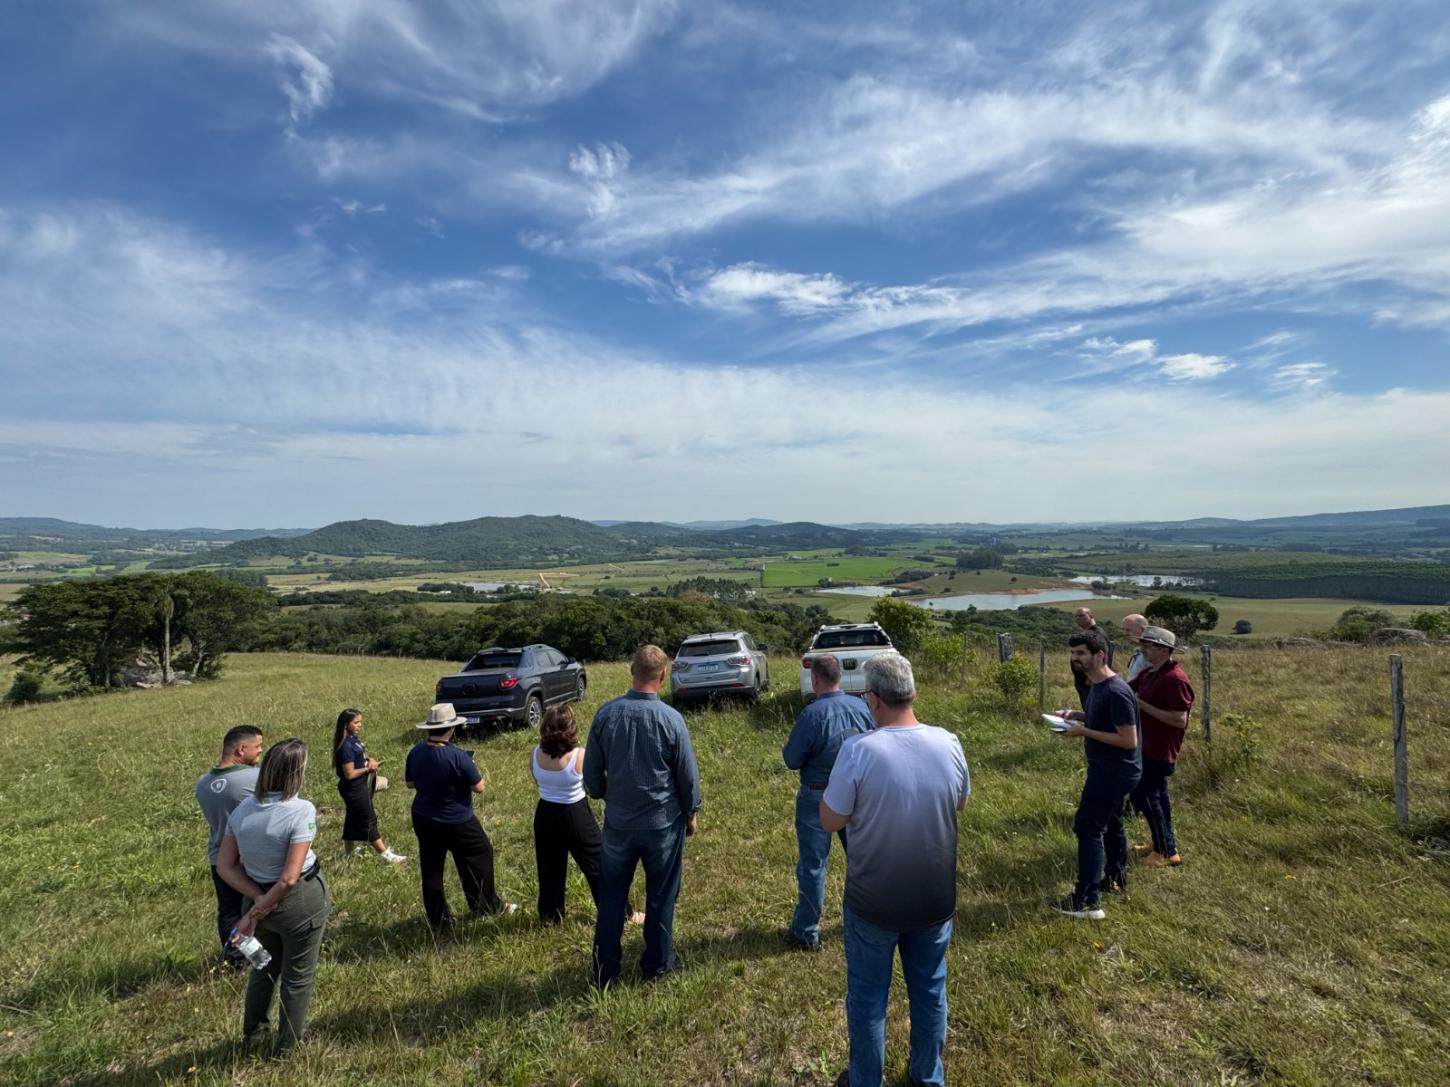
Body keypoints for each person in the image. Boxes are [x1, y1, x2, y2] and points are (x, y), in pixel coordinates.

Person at [820, 652, 969, 1087]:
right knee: (930, 990)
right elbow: (960, 800)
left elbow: (830, 821)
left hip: (873, 902)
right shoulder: (949, 742)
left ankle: (866, 1079)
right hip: (934, 899)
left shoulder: (858, 750)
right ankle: (927, 1076)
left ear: (874, 700)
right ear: (913, 694)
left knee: (867, 998)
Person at [584, 644, 701, 987]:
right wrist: (691, 813)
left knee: (611, 900)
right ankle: (657, 966)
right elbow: (687, 776)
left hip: (618, 825)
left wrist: (610, 794)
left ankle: (606, 972)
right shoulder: (672, 719)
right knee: (662, 896)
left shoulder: (605, 715)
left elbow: (591, 778)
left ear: (630, 670)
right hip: (663, 825)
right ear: (663, 676)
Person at [216, 738, 330, 1057]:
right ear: (297, 773)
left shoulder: (242, 811)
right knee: (298, 974)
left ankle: (253, 1033)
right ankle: (287, 1047)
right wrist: (259, 908)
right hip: (298, 901)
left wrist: (255, 903)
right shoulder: (300, 810)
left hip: (256, 895)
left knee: (264, 967)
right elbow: (290, 877)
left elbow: (225, 865)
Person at [780, 653, 875, 951]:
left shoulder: (812, 714)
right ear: (839, 678)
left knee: (813, 865)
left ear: (815, 679)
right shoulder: (861, 706)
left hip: (818, 796)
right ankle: (871, 920)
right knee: (862, 861)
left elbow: (792, 759)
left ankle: (806, 932)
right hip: (857, 793)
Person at [1051, 628, 1141, 920]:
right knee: (1112, 824)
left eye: (1081, 653)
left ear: (1099, 655)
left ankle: (1087, 902)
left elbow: (1129, 740)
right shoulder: (1098, 687)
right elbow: (1104, 720)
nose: (1074, 658)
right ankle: (1115, 880)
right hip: (1109, 768)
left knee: (1088, 828)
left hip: (1113, 770)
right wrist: (1075, 715)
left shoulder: (1115, 691)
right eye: (1072, 653)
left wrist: (1083, 731)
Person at [405, 703, 517, 930]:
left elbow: (410, 783)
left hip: (424, 817)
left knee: (432, 867)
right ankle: (486, 904)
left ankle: (439, 919)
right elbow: (479, 787)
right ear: (452, 729)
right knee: (481, 853)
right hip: (457, 820)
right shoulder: (458, 756)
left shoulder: (415, 752)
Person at [531, 704, 643, 925]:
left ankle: (550, 916)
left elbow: (537, 780)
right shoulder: (580, 756)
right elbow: (595, 784)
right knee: (599, 865)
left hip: (545, 814)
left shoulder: (535, 754)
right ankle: (621, 914)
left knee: (549, 867)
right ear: (570, 730)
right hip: (575, 813)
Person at [196, 724, 264, 971]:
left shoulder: (202, 784)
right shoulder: (254, 778)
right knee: (259, 904)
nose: (260, 752)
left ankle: (238, 961)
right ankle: (264, 957)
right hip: (249, 855)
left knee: (229, 911)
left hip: (219, 857)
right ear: (241, 749)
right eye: (258, 747)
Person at [1127, 626, 1194, 868]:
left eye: (1149, 645)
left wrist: (1140, 705)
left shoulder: (1174, 678)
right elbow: (1127, 690)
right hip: (1145, 745)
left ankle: (1166, 851)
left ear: (1165, 650)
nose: (1143, 649)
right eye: (1143, 644)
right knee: (1155, 797)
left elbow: (1179, 719)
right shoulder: (1150, 673)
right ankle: (1162, 844)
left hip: (1160, 749)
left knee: (1146, 796)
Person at [331, 708, 406, 863]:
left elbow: (361, 755)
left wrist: (370, 759)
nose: (359, 725)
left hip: (359, 785)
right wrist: (368, 768)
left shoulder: (354, 739)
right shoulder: (345, 747)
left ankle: (349, 852)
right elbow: (349, 773)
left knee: (352, 818)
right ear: (346, 724)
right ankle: (385, 854)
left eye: (360, 722)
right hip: (353, 788)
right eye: (356, 722)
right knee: (368, 818)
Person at [1072, 607, 1115, 707]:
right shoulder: (1089, 633)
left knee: (1095, 715)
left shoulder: (1096, 634)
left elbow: (1104, 656)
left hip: (1092, 684)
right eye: (1076, 616)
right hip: (1087, 683)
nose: (1078, 618)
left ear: (1091, 616)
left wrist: (1091, 680)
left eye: (1082, 615)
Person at [1121, 613, 1150, 681]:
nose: (1125, 633)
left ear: (1143, 630)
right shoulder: (1138, 651)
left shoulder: (1152, 653)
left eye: (1128, 630)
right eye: (1123, 630)